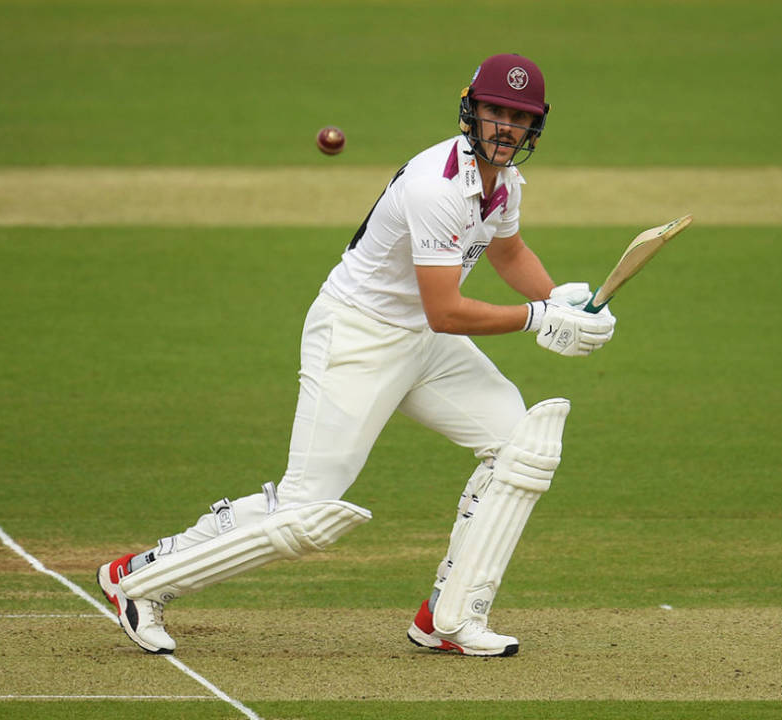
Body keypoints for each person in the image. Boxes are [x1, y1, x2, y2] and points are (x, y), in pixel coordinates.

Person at [97, 53, 616, 657]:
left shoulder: (505, 184)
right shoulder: (438, 187)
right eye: (495, 111)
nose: (505, 127)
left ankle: (448, 620)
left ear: (536, 127)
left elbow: (507, 252)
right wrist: (536, 319)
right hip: (358, 336)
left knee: (520, 447)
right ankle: (139, 579)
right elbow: (445, 310)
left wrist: (560, 301)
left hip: (425, 343)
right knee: (307, 508)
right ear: (471, 109)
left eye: (519, 118)